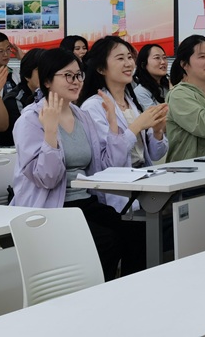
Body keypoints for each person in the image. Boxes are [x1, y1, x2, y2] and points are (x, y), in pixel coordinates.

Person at [10, 47, 145, 280]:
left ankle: (127, 291)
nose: (76, 82)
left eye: (79, 75)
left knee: (137, 232)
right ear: (47, 81)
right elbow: (47, 178)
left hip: (85, 202)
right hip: (52, 208)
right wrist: (51, 132)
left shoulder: (81, 115)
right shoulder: (30, 120)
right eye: (68, 76)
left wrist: (113, 124)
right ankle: (95, 294)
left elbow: (106, 168)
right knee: (106, 241)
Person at [79, 37, 168, 210]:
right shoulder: (93, 106)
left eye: (129, 57)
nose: (128, 63)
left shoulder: (131, 102)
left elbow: (156, 155)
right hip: (118, 195)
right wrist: (137, 126)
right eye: (120, 58)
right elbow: (109, 162)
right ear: (101, 68)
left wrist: (157, 131)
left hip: (142, 184)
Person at [0, 48, 45, 147]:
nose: (46, 75)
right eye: (40, 70)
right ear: (27, 75)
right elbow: (27, 134)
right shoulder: (15, 100)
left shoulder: (46, 95)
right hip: (6, 151)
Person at [134, 43, 170, 109]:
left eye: (164, 57)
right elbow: (156, 115)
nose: (163, 62)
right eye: (157, 58)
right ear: (143, 64)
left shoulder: (167, 86)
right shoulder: (141, 91)